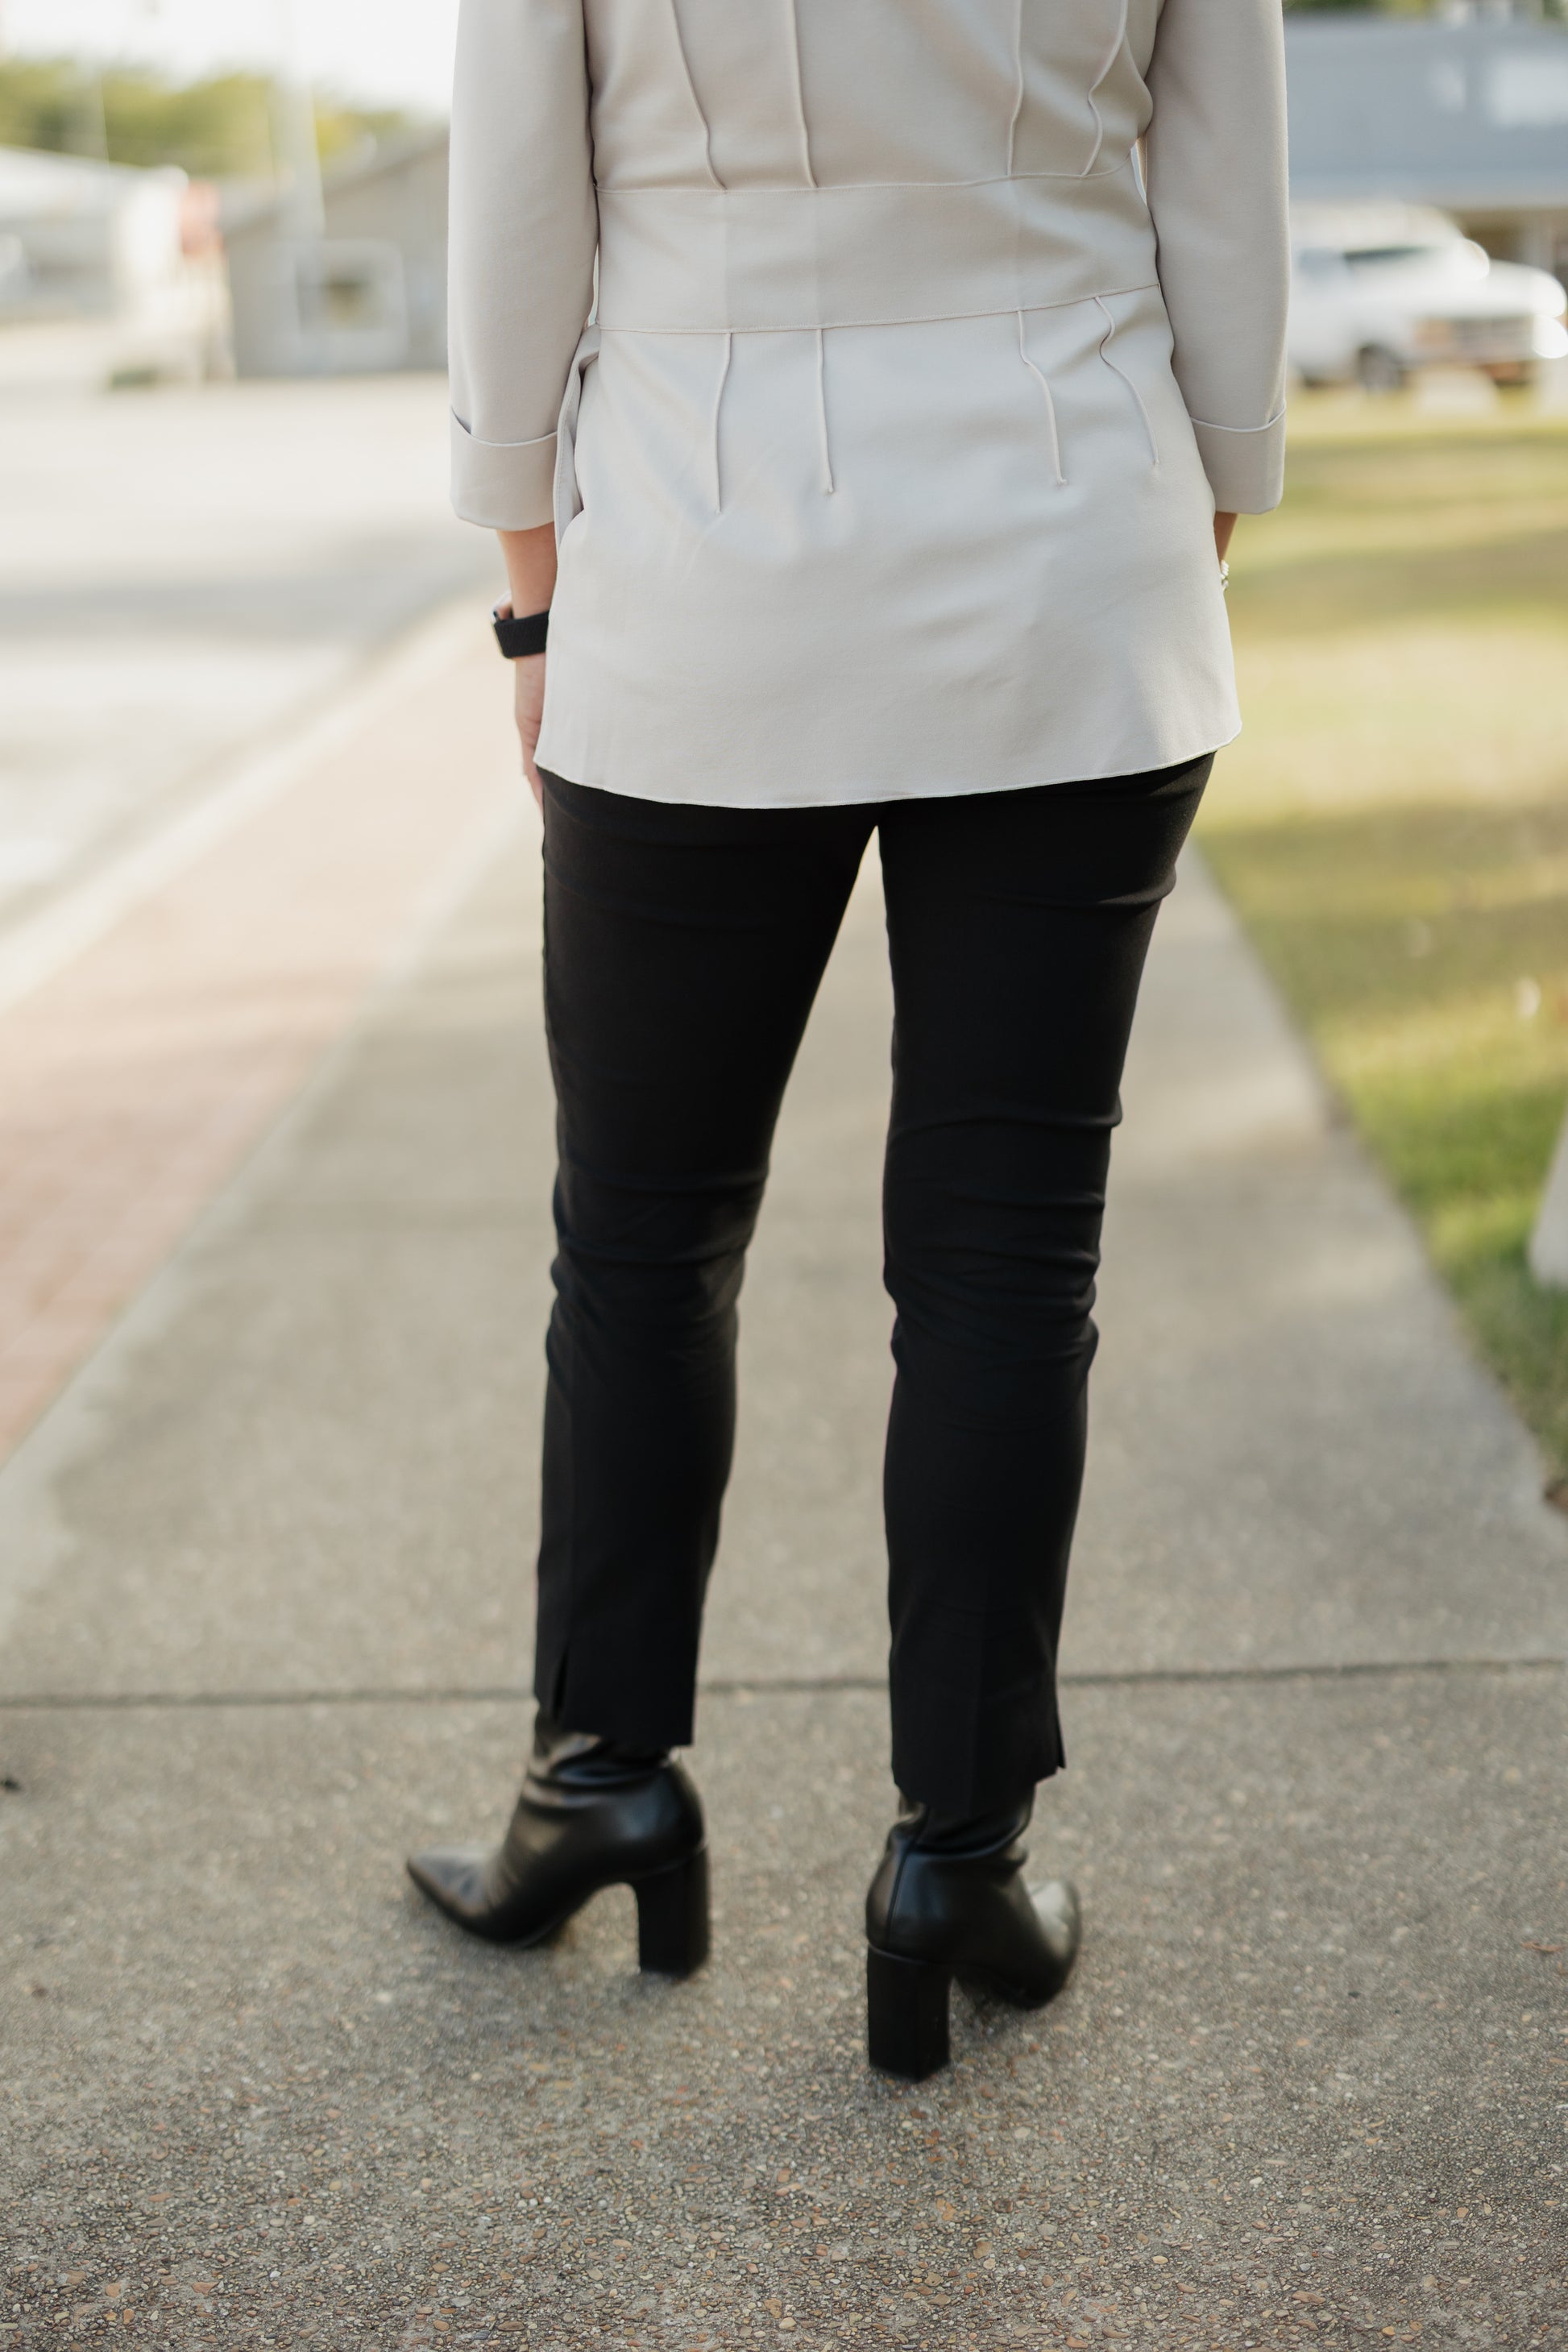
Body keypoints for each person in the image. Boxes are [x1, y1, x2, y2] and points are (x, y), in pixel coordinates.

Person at [409, 0, 1289, 2081]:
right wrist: (1194, 504)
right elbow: (1220, 179)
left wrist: (531, 589)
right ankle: (953, 1863)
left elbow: (521, 190)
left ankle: (602, 1780)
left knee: (639, 1230)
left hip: (697, 559)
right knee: (1003, 1260)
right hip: (1072, 530)